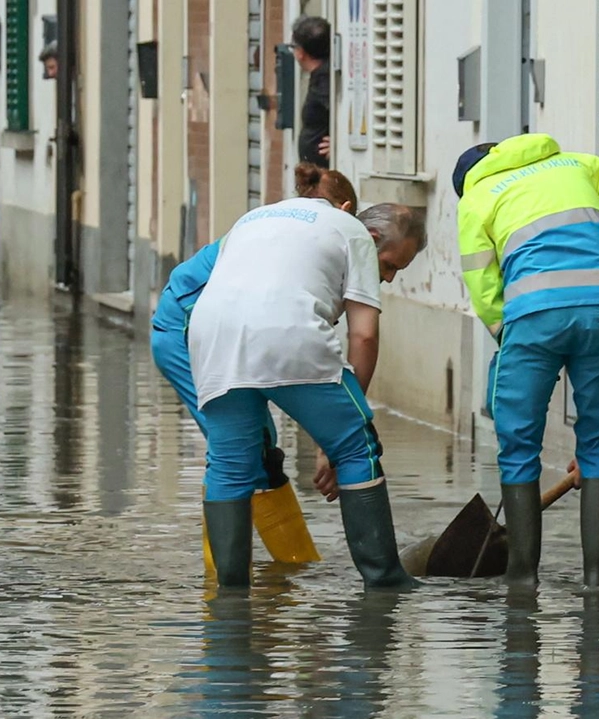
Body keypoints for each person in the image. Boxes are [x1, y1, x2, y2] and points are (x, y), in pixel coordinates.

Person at [188, 165, 427, 589]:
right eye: (391, 265)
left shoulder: (254, 218)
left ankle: (230, 596)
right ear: (373, 239)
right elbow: (364, 336)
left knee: (229, 466)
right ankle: (385, 582)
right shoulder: (352, 233)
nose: (388, 277)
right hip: (288, 331)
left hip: (210, 334)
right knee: (359, 448)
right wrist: (338, 437)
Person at [452, 133, 599, 587]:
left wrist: (513, 329)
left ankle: (523, 579)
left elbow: (484, 289)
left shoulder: (477, 197)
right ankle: (597, 579)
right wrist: (595, 284)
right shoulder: (583, 164)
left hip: (532, 318)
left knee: (518, 445)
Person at [291, 16, 330, 167]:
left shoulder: (324, 81)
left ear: (300, 52)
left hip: (323, 176)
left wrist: (340, 142)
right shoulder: (321, 76)